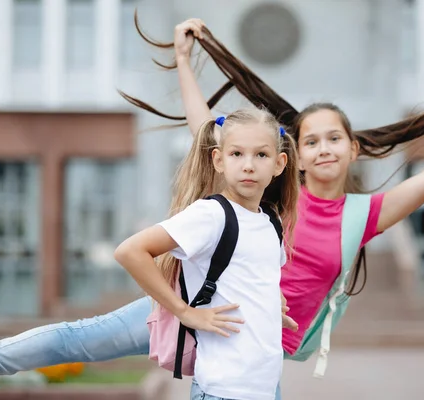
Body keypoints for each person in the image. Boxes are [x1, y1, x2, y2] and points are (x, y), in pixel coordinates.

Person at [0, 17, 424, 400]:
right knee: (82, 338)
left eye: (334, 138)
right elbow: (208, 135)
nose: (322, 148)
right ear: (293, 154)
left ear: (354, 147)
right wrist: (187, 65)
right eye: (310, 139)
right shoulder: (262, 195)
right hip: (196, 311)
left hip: (254, 349)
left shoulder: (362, 216)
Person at [114, 107, 298, 400]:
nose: (249, 165)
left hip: (265, 389)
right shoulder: (211, 215)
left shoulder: (271, 223)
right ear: (218, 160)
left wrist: (272, 306)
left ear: (279, 164)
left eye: (261, 155)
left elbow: (255, 277)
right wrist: (185, 313)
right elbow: (130, 251)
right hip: (222, 391)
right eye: (237, 154)